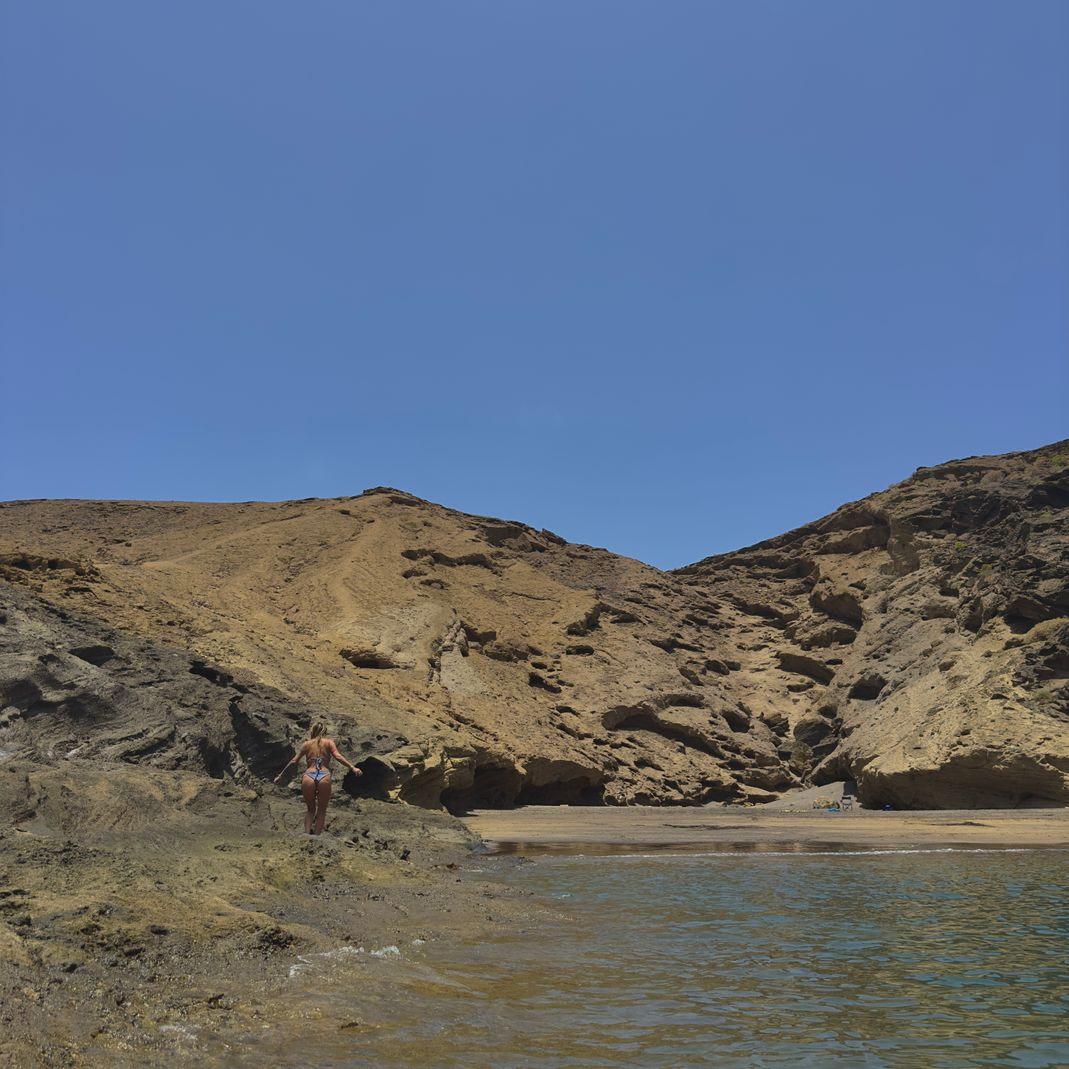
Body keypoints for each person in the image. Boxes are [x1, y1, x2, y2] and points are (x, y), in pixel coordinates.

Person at [273, 722, 362, 835]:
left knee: (310, 810)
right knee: (321, 811)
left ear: (313, 731)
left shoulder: (307, 744)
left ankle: (306, 835)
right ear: (325, 732)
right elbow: (338, 756)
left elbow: (294, 761)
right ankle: (316, 836)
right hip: (324, 775)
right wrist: (352, 767)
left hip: (309, 775)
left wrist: (281, 776)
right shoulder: (329, 742)